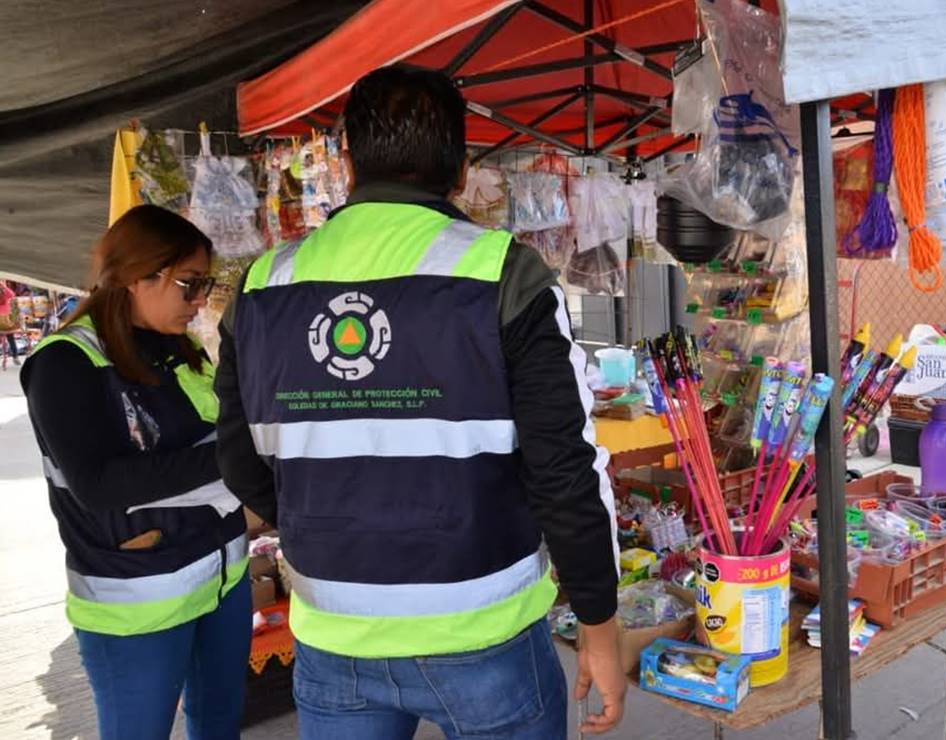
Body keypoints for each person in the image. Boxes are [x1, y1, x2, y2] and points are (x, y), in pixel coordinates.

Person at [215, 65, 623, 739]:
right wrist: (599, 627)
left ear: (345, 162)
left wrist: (330, 520)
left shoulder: (262, 285)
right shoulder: (502, 272)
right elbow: (562, 471)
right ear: (461, 170)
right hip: (483, 626)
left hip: (332, 632)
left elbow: (240, 462)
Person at [21, 205, 250, 740]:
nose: (199, 303)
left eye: (206, 286)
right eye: (190, 286)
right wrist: (239, 452)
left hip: (222, 575)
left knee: (219, 724)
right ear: (137, 277)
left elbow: (211, 432)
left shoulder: (182, 348)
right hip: (136, 597)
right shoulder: (66, 363)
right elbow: (100, 486)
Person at [1, 280, 20, 364]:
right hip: (7, 321)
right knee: (11, 338)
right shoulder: (5, 292)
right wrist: (4, 287)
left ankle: (15, 357)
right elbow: (12, 295)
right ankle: (15, 357)